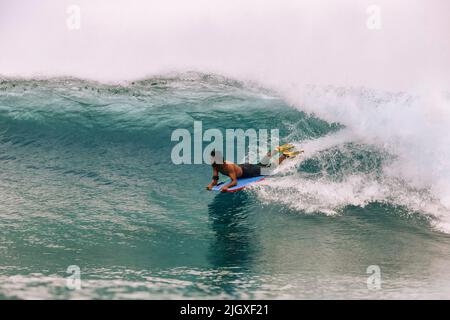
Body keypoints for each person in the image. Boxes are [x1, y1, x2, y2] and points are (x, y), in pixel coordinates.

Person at [206, 149, 289, 192]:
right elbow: (215, 180)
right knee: (260, 165)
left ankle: (284, 155)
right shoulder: (215, 165)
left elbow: (234, 182)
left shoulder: (228, 166)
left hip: (248, 171)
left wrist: (226, 186)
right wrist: (211, 185)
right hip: (243, 167)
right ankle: (274, 151)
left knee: (269, 169)